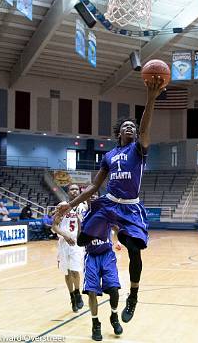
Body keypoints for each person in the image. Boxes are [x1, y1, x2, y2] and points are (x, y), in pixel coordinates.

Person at [55, 76, 164, 323]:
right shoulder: (109, 156)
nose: (131, 128)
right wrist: (69, 205)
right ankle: (95, 268)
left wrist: (150, 98)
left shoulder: (139, 150)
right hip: (108, 203)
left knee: (134, 250)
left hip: (130, 208)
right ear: (118, 133)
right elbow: (94, 186)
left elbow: (145, 127)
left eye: (133, 127)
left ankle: (133, 296)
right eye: (126, 126)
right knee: (82, 240)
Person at [82, 224, 123, 341]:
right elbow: (80, 237)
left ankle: (114, 316)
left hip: (107, 255)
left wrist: (119, 240)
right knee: (91, 292)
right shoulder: (86, 218)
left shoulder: (107, 215)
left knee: (114, 289)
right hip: (91, 257)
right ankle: (95, 323)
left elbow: (118, 228)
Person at [52, 184, 87, 312]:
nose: (74, 191)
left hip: (77, 243)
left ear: (79, 192)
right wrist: (65, 235)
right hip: (63, 242)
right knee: (67, 272)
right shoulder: (63, 206)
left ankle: (78, 293)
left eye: (76, 189)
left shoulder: (84, 207)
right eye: (71, 189)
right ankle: (72, 296)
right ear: (68, 192)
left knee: (75, 270)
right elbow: (54, 226)